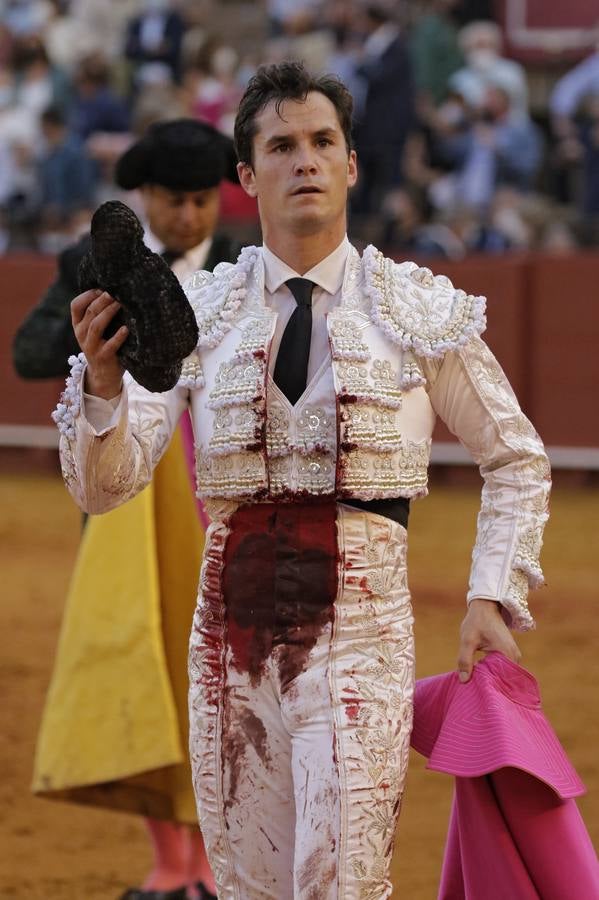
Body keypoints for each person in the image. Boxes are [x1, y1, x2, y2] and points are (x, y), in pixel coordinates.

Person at [53, 62, 550, 899]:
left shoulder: (412, 309)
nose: (306, 161)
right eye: (281, 146)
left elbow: (515, 457)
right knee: (247, 887)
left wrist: (489, 595)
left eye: (323, 142)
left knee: (340, 884)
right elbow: (106, 487)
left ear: (352, 164)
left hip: (360, 637)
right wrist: (102, 392)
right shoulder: (200, 314)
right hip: (225, 641)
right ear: (247, 177)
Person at [17, 118, 242, 900]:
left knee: (217, 674)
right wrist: (104, 330)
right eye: (173, 202)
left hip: (219, 496)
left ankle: (214, 864)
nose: (189, 217)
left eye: (200, 199)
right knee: (143, 667)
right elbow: (29, 352)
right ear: (144, 199)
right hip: (123, 496)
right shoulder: (97, 264)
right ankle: (170, 865)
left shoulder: (245, 267)